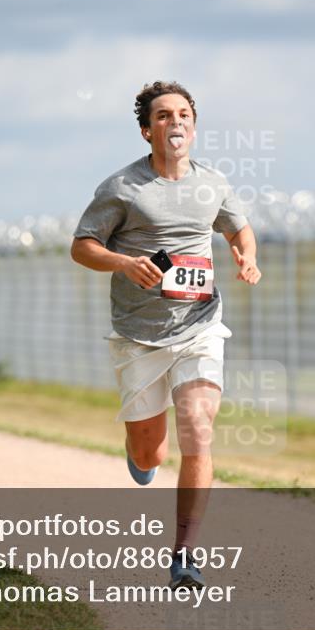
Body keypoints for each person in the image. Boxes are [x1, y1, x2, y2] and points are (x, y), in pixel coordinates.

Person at [71, 81, 261, 589]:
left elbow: (238, 228)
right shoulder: (122, 188)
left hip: (199, 325)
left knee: (198, 427)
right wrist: (124, 263)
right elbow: (82, 246)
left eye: (182, 114)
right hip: (139, 333)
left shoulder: (213, 184)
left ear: (193, 126)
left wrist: (247, 255)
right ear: (146, 129)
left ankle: (184, 553)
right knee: (149, 450)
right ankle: (140, 456)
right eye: (162, 116)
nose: (174, 122)